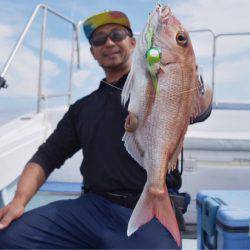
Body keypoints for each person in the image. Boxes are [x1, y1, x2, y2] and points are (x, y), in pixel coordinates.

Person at [0, 10, 212, 249]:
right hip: (91, 208)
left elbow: (200, 109)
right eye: (99, 40)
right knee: (8, 238)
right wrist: (19, 201)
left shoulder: (158, 83)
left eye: (117, 34)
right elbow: (46, 156)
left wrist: (188, 70)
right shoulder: (82, 108)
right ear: (93, 52)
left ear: (134, 43)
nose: (109, 43)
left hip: (148, 209)